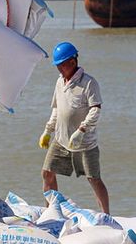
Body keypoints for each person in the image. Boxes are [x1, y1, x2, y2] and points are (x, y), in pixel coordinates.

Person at [39, 41, 109, 214]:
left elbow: (95, 110)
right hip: (61, 140)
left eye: (61, 65)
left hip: (84, 143)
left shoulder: (89, 83)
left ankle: (106, 214)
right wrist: (48, 131)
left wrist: (82, 130)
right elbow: (57, 109)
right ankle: (51, 212)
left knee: (94, 179)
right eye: (57, 66)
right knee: (47, 173)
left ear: (72, 62)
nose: (59, 69)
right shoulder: (59, 82)